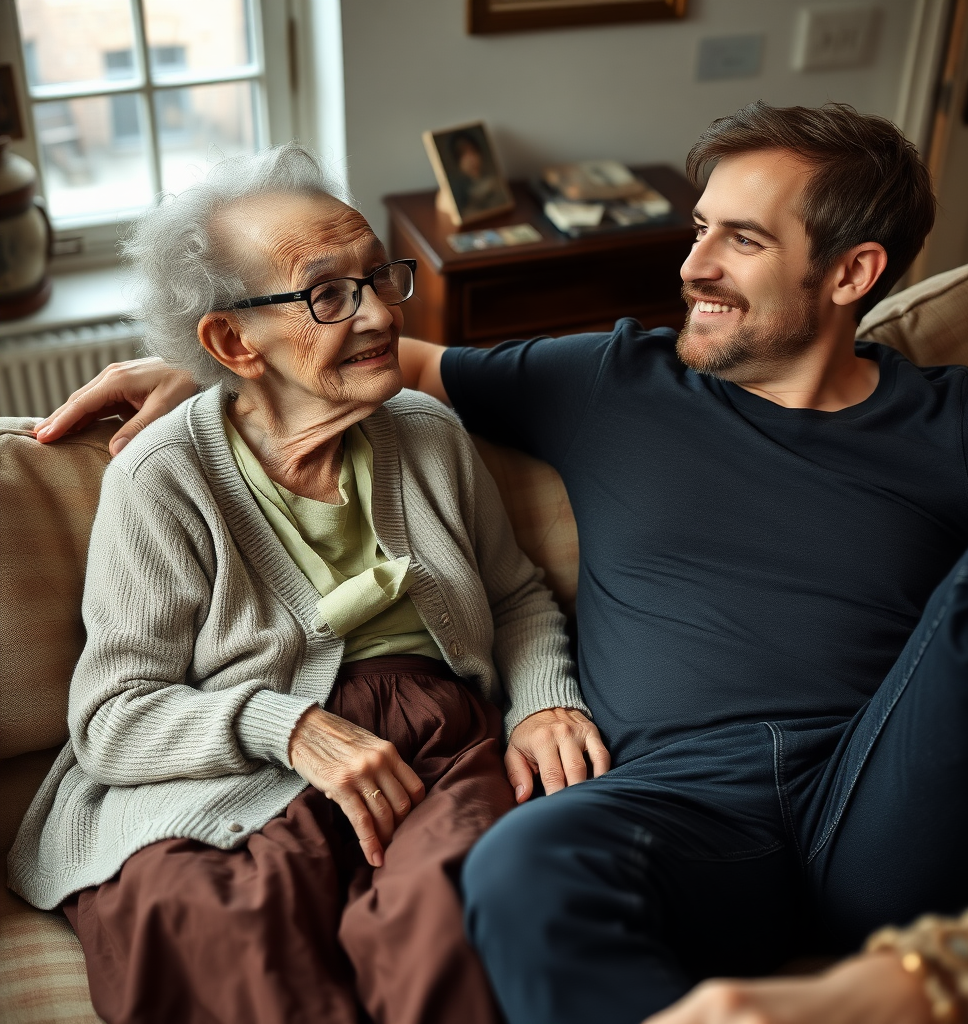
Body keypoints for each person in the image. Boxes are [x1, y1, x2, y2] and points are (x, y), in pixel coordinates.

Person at [31, 102, 968, 1023]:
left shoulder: (961, 423)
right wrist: (217, 364)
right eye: (698, 230)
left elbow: (393, 384)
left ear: (851, 275)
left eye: (742, 240)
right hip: (673, 811)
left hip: (881, 790)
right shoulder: (611, 379)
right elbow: (389, 361)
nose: (692, 267)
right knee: (514, 865)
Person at [7, 142, 610, 1024]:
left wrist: (546, 700)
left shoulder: (428, 435)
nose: (376, 316)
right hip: (232, 752)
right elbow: (111, 717)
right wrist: (285, 726)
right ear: (230, 341)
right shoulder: (164, 480)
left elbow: (513, 595)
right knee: (219, 934)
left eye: (380, 277)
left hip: (436, 740)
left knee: (456, 917)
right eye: (327, 293)